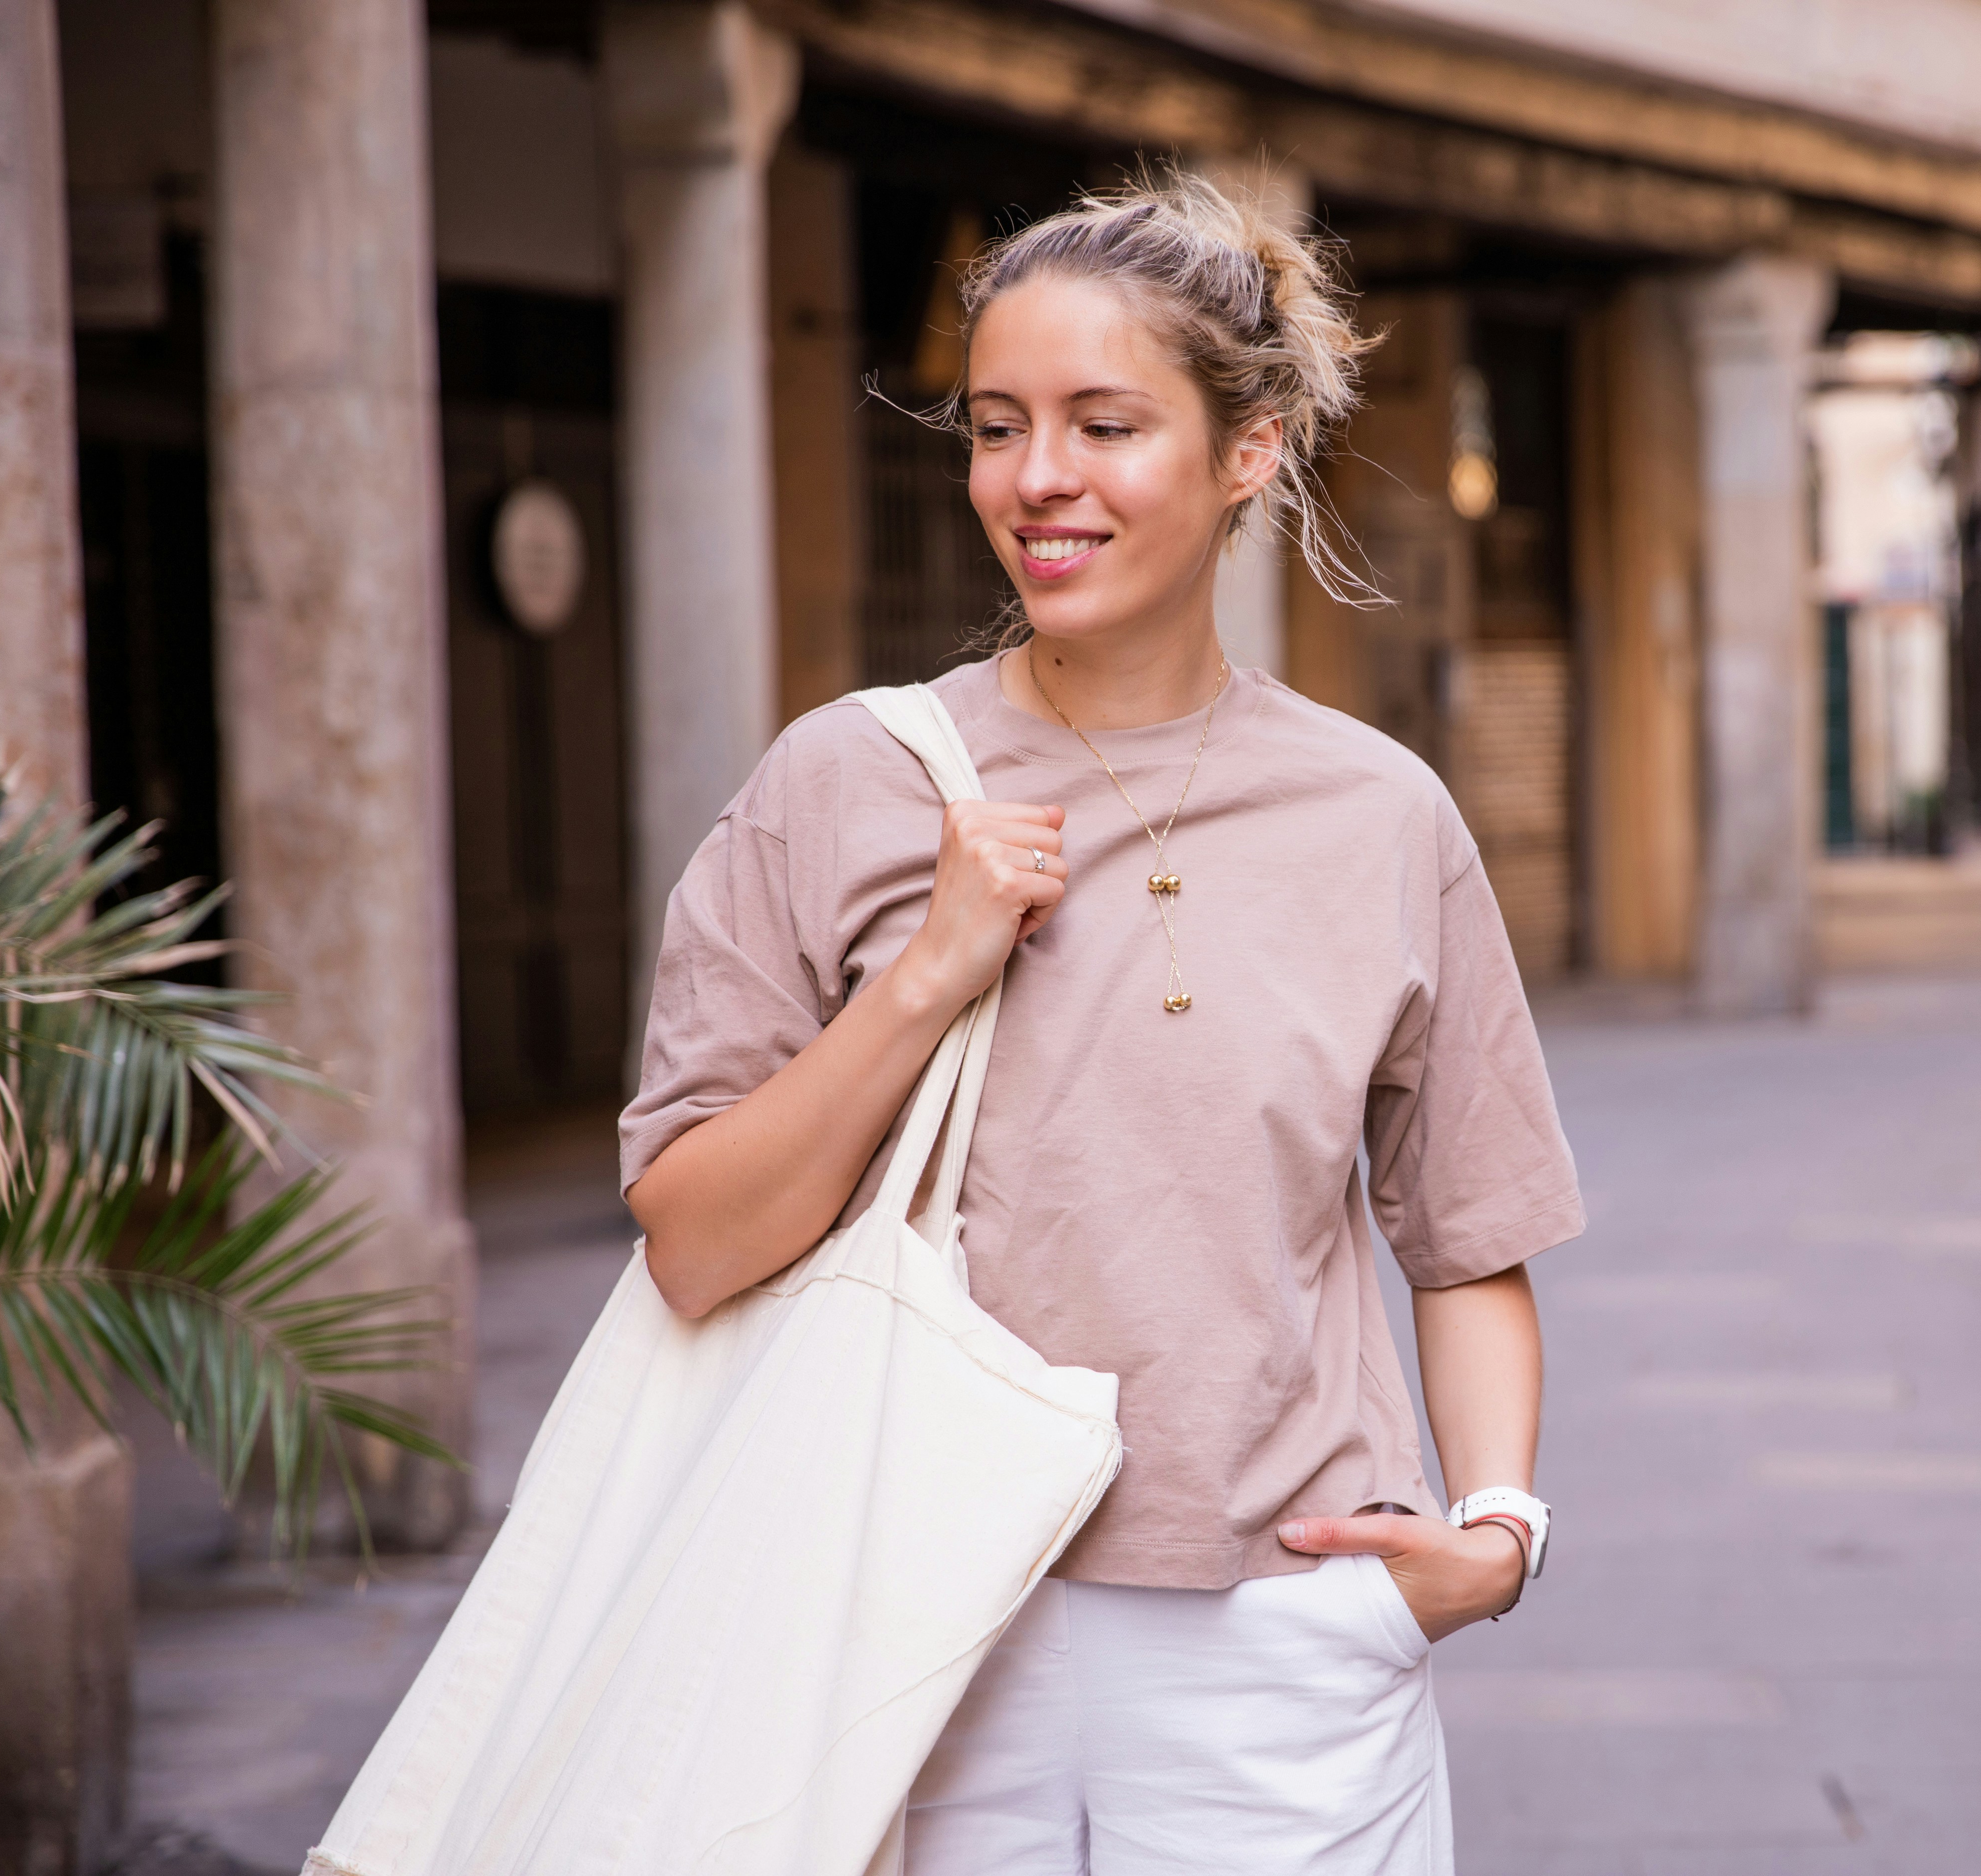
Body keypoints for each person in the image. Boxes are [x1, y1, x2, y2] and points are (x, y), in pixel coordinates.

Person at [618, 174, 1582, 1875]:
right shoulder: (845, 784)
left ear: (1246, 450)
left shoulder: (1382, 816)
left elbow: (1467, 1231)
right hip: (908, 1638)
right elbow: (692, 1244)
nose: (1035, 479)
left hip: (1282, 1639)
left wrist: (1495, 1531)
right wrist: (930, 970)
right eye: (997, 428)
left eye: (1103, 423)